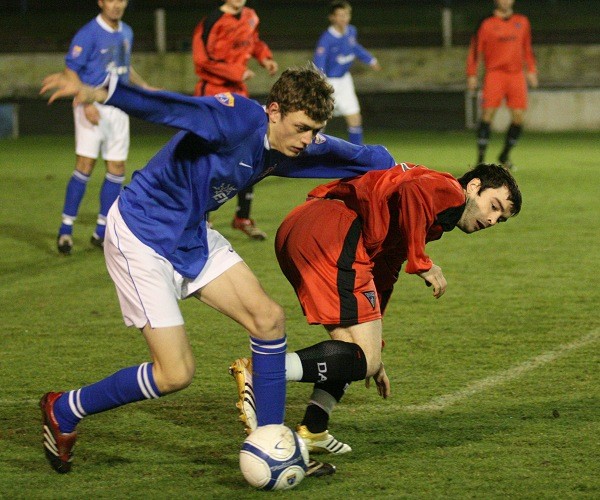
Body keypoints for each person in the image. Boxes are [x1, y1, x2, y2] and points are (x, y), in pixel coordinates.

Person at [38, 63, 396, 474]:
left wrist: (406, 175)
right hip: (141, 235)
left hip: (191, 234)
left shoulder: (288, 144)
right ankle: (64, 409)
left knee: (268, 319)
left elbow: (361, 157)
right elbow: (172, 108)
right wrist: (102, 92)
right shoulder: (236, 117)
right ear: (274, 110)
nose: (308, 140)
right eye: (301, 128)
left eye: (315, 130)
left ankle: (273, 445)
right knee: (174, 374)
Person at [230, 162, 522, 455]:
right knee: (362, 357)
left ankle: (313, 429)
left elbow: (385, 269)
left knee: (353, 352)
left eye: (502, 218)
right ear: (474, 187)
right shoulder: (449, 190)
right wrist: (420, 260)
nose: (493, 219)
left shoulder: (434, 217)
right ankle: (264, 370)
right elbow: (413, 190)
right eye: (494, 206)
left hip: (309, 227)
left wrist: (373, 345)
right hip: (334, 230)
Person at [55, 0, 155, 255]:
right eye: (111, 0)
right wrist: (85, 102)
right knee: (85, 165)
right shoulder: (88, 33)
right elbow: (70, 72)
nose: (116, 5)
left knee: (117, 168)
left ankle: (101, 231)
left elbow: (124, 67)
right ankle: (66, 230)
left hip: (118, 106)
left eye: (121, 0)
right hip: (91, 106)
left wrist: (144, 87)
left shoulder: (127, 31)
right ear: (101, 2)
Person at [192, 0, 278, 241]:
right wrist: (236, 72)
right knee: (209, 157)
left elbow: (254, 42)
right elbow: (202, 60)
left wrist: (265, 57)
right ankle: (201, 219)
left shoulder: (250, 15)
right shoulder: (211, 23)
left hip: (239, 95)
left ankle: (242, 217)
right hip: (213, 94)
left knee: (251, 151)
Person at [466, 0, 538, 170]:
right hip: (495, 74)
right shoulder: (486, 23)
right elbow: (475, 50)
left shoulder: (522, 21)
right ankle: (481, 159)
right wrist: (472, 74)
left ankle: (504, 155)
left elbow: (527, 48)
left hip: (516, 75)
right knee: (487, 115)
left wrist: (532, 70)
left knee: (519, 117)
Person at [313, 0, 381, 146]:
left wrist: (370, 59)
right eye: (340, 15)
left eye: (346, 15)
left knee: (355, 118)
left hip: (345, 81)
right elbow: (319, 62)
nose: (344, 18)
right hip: (329, 82)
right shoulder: (326, 39)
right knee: (320, 121)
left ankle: (357, 153)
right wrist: (320, 83)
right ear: (332, 17)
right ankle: (311, 152)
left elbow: (354, 47)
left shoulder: (351, 31)